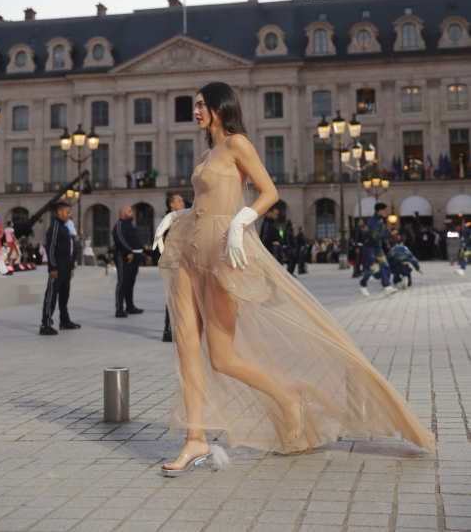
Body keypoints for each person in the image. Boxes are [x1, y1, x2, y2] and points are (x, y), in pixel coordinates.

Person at [152, 82, 433, 476]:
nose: (195, 110)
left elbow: (269, 192)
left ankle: (287, 399)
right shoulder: (207, 152)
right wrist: (175, 217)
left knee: (221, 357)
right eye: (194, 105)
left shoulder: (237, 145)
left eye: (201, 105)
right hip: (189, 252)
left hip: (221, 254)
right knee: (184, 345)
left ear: (220, 107)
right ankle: (194, 438)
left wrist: (241, 221)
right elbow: (203, 204)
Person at [40, 202, 80, 335]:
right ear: (60, 213)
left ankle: (64, 320)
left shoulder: (64, 227)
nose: (70, 215)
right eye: (68, 213)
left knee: (64, 295)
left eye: (70, 212)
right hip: (57, 267)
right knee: (51, 296)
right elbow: (50, 248)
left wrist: (71, 267)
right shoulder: (55, 227)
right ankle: (45, 324)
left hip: (66, 267)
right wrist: (53, 267)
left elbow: (67, 249)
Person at [359, 203, 398, 298]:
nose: (386, 212)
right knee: (371, 269)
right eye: (384, 210)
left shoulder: (381, 220)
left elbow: (381, 233)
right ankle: (363, 284)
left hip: (378, 247)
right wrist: (389, 234)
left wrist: (389, 234)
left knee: (385, 266)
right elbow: (375, 235)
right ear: (379, 210)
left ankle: (387, 287)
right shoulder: (372, 221)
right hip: (370, 247)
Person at [162, 193, 186, 342]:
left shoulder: (181, 218)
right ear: (172, 205)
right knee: (173, 297)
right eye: (179, 200)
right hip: (175, 262)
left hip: (184, 262)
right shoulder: (170, 219)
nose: (182, 202)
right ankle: (168, 330)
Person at [112, 207, 144, 317]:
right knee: (123, 282)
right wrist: (129, 251)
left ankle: (130, 306)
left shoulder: (130, 225)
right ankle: (119, 308)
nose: (132, 213)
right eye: (129, 211)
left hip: (135, 257)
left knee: (130, 283)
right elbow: (119, 239)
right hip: (124, 257)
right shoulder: (119, 225)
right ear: (122, 213)